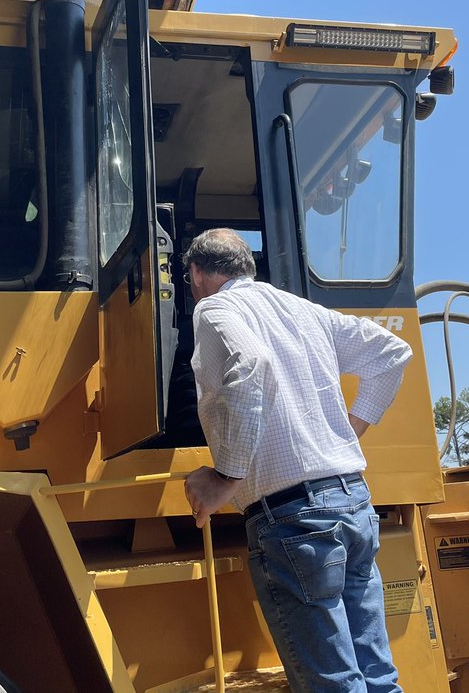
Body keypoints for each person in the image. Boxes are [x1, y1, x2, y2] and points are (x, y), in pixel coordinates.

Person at [181, 228, 413, 693]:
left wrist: (227, 474)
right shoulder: (303, 310)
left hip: (295, 520)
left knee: (334, 685)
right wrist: (351, 429)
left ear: (197, 273)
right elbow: (393, 353)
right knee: (377, 678)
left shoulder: (214, 308)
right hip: (352, 503)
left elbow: (250, 367)